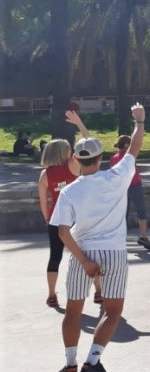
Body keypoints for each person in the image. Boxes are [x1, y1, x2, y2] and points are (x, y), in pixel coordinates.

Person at [51, 103, 145, 372]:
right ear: (102, 157)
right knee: (113, 311)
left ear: (77, 160)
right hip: (114, 254)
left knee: (73, 311)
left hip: (82, 252)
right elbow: (134, 149)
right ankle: (92, 363)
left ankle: (70, 367)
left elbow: (63, 233)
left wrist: (84, 261)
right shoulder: (117, 177)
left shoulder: (69, 191)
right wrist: (139, 121)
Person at [37, 111, 96, 308]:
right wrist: (79, 123)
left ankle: (51, 294)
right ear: (64, 153)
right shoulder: (72, 165)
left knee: (55, 256)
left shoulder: (45, 175)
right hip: (77, 218)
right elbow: (90, 144)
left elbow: (44, 202)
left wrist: (48, 219)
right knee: (88, 254)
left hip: (56, 219)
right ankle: (99, 291)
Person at [109, 135, 150, 251]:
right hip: (134, 186)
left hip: (122, 188)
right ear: (126, 145)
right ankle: (144, 237)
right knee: (141, 213)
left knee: (124, 215)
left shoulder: (114, 158)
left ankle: (119, 239)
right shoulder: (129, 156)